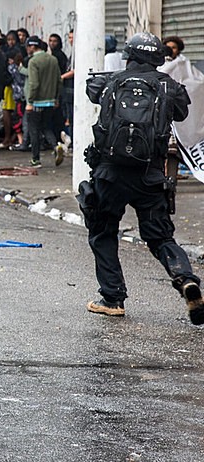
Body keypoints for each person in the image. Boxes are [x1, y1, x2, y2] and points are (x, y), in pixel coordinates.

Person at [81, 32, 204, 324]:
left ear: (129, 55)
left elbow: (91, 90)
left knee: (103, 231)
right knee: (161, 237)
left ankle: (112, 299)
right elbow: (182, 113)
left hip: (110, 174)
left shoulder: (111, 81)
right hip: (149, 176)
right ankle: (185, 279)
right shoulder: (168, 86)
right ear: (159, 58)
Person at [24, 36, 63, 167]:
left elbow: (34, 84)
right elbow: (59, 80)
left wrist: (30, 101)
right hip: (51, 102)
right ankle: (56, 146)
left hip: (36, 102)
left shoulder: (33, 61)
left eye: (28, 47)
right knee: (46, 127)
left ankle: (35, 159)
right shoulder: (53, 60)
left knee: (33, 130)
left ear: (32, 47)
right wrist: (56, 98)